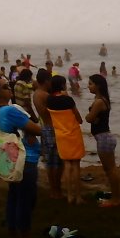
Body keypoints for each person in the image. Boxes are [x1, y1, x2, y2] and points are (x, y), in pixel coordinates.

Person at [0, 77, 44, 238]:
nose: (9, 89)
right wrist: (33, 127)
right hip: (25, 160)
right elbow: (38, 129)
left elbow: (21, 128)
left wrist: (27, 129)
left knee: (14, 196)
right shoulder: (10, 111)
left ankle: (12, 231)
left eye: (8, 85)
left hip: (13, 160)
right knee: (26, 199)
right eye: (5, 87)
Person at [47, 75, 85, 205]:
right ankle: (78, 197)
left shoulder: (49, 100)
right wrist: (67, 95)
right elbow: (79, 118)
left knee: (67, 165)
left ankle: (69, 196)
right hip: (73, 134)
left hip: (60, 136)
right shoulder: (68, 100)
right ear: (63, 85)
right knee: (76, 165)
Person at [85, 74, 120, 207]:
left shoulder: (99, 101)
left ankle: (116, 199)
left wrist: (89, 116)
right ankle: (115, 195)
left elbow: (89, 118)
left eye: (90, 84)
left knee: (111, 169)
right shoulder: (101, 99)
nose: (88, 86)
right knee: (109, 169)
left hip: (104, 138)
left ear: (98, 85)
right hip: (104, 137)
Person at [32, 69, 64, 199]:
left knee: (50, 163)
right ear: (46, 81)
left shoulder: (36, 94)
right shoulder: (46, 96)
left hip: (45, 128)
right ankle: (57, 189)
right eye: (50, 80)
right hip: (52, 129)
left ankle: (53, 190)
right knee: (58, 162)